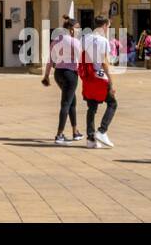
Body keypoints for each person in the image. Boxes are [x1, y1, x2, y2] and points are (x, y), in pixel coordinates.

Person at [40, 15, 83, 145]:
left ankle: (75, 132)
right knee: (66, 103)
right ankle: (59, 135)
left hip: (58, 73)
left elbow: (50, 60)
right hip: (70, 74)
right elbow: (81, 60)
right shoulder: (74, 42)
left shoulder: (56, 40)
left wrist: (46, 76)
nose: (79, 30)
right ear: (70, 29)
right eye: (77, 28)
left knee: (71, 101)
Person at [81, 16, 118, 148]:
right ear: (105, 25)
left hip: (88, 77)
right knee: (113, 103)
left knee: (91, 108)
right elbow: (104, 62)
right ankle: (102, 131)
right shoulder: (103, 40)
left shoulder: (85, 38)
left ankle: (90, 139)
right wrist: (112, 82)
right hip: (100, 78)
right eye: (108, 26)